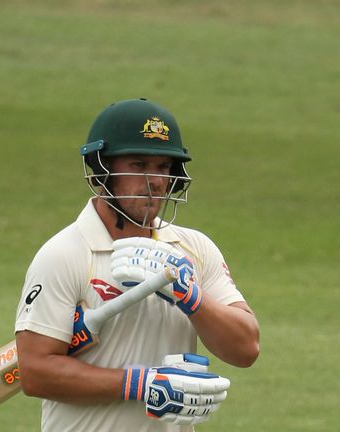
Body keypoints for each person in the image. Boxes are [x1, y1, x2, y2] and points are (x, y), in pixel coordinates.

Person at [14, 98, 260, 432]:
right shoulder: (64, 254)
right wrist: (140, 385)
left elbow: (246, 348)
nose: (155, 180)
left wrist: (192, 299)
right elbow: (36, 373)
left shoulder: (194, 249)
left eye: (163, 167)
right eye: (138, 164)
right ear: (102, 170)